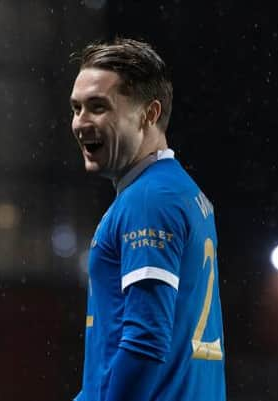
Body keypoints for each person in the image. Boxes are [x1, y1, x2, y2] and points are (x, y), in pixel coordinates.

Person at [69, 38, 226, 401]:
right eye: (76, 108)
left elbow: (145, 342)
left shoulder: (148, 201)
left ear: (149, 113)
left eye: (98, 107)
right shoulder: (181, 192)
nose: (80, 123)